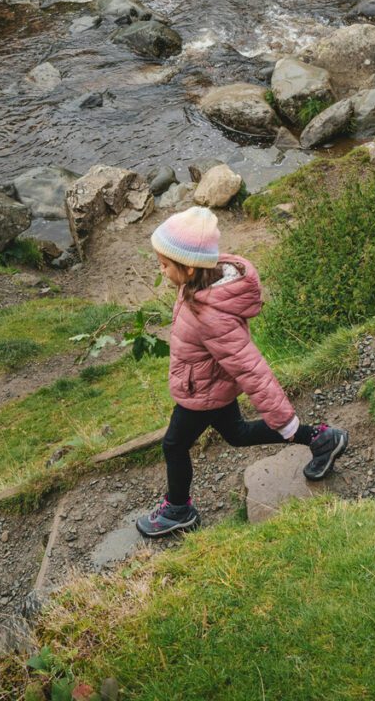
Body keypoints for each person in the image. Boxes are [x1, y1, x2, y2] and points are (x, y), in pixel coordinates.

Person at [136, 206, 348, 538]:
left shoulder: (209, 313)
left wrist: (284, 418)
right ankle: (320, 439)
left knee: (174, 445)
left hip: (202, 394)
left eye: (164, 265)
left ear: (189, 269)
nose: (161, 271)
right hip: (211, 385)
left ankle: (178, 508)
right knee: (236, 434)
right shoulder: (199, 285)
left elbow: (252, 369)